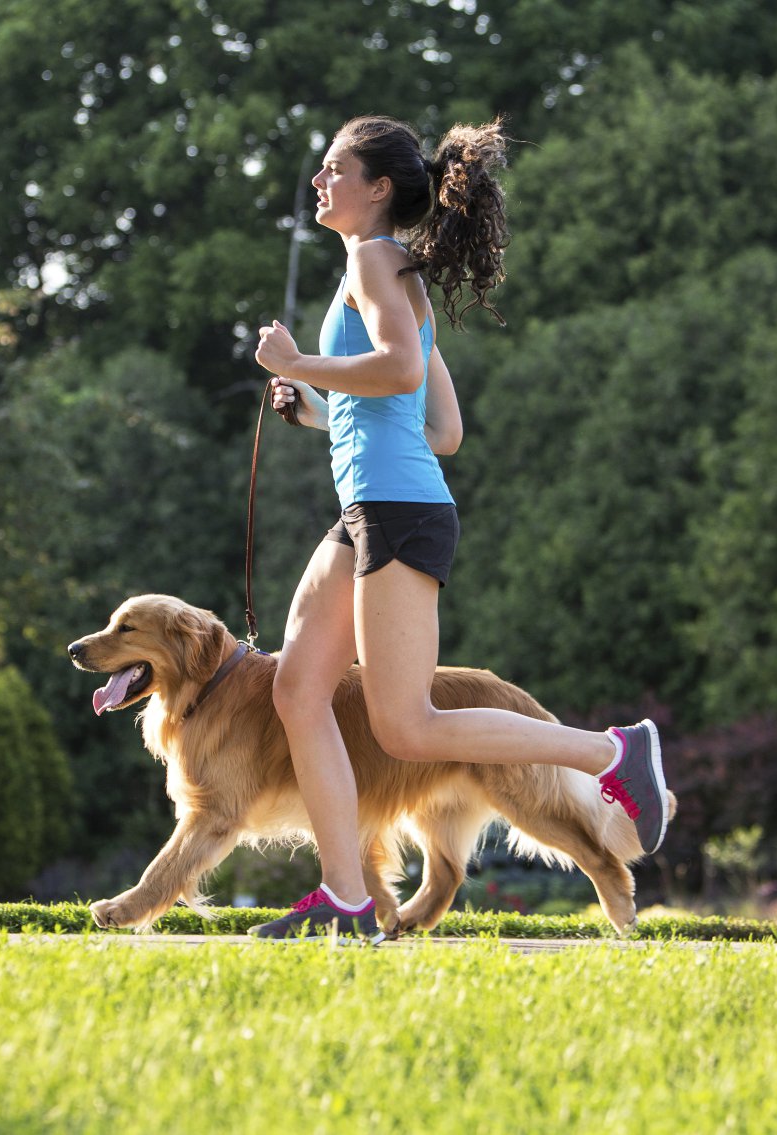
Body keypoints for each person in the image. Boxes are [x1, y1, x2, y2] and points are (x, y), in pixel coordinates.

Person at [249, 115, 669, 944]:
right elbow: (438, 426)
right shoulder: (388, 274)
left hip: (398, 512)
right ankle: (344, 893)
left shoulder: (375, 261)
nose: (320, 182)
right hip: (377, 505)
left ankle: (613, 752)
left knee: (403, 725)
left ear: (377, 189)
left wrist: (298, 366)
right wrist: (317, 414)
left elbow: (401, 372)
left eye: (335, 169)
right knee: (297, 688)